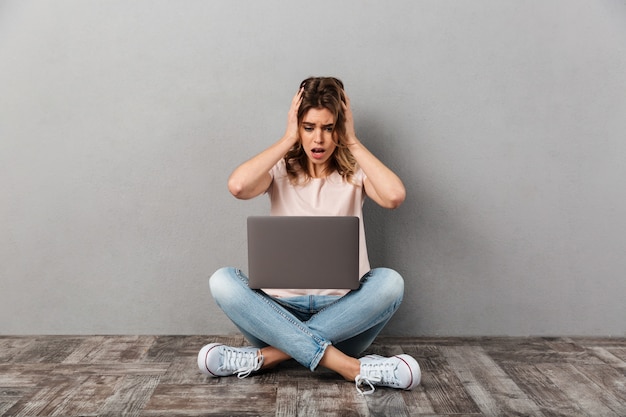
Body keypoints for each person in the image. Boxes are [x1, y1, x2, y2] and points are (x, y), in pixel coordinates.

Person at [198, 77, 420, 395]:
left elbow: (394, 196)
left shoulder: (355, 172)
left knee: (391, 283)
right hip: (278, 313)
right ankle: (352, 368)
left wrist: (353, 141)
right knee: (223, 280)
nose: (319, 139)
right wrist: (288, 138)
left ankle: (268, 357)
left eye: (328, 128)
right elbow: (238, 186)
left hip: (343, 316)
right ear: (298, 126)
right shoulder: (280, 170)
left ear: (339, 128)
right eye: (309, 127)